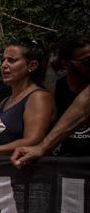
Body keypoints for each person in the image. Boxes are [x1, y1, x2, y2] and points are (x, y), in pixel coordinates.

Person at [12, 34, 90, 165]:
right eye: (88, 61)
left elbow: (83, 106)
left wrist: (42, 147)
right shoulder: (53, 90)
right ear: (66, 64)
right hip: (66, 166)